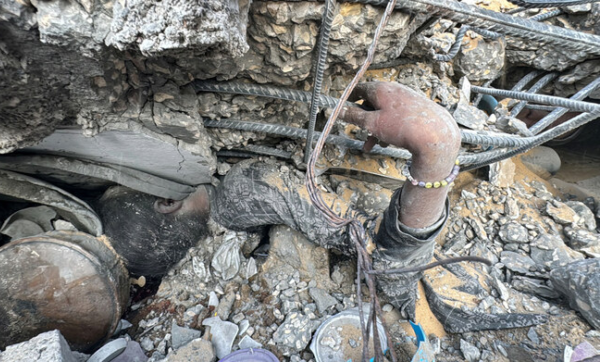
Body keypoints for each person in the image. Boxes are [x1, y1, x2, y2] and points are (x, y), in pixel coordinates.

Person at [98, 81, 546, 332]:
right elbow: (378, 255)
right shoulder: (239, 194)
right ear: (166, 204)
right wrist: (437, 147)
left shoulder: (236, 210)